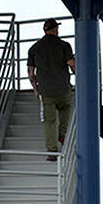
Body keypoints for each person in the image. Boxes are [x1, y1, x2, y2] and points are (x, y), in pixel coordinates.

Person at [26, 18, 75, 160]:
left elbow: (31, 74)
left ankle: (52, 152)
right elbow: (71, 64)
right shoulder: (64, 45)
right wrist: (78, 73)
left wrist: (36, 89)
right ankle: (63, 135)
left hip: (45, 92)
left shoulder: (34, 48)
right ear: (55, 29)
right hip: (63, 88)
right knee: (66, 109)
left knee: (49, 121)